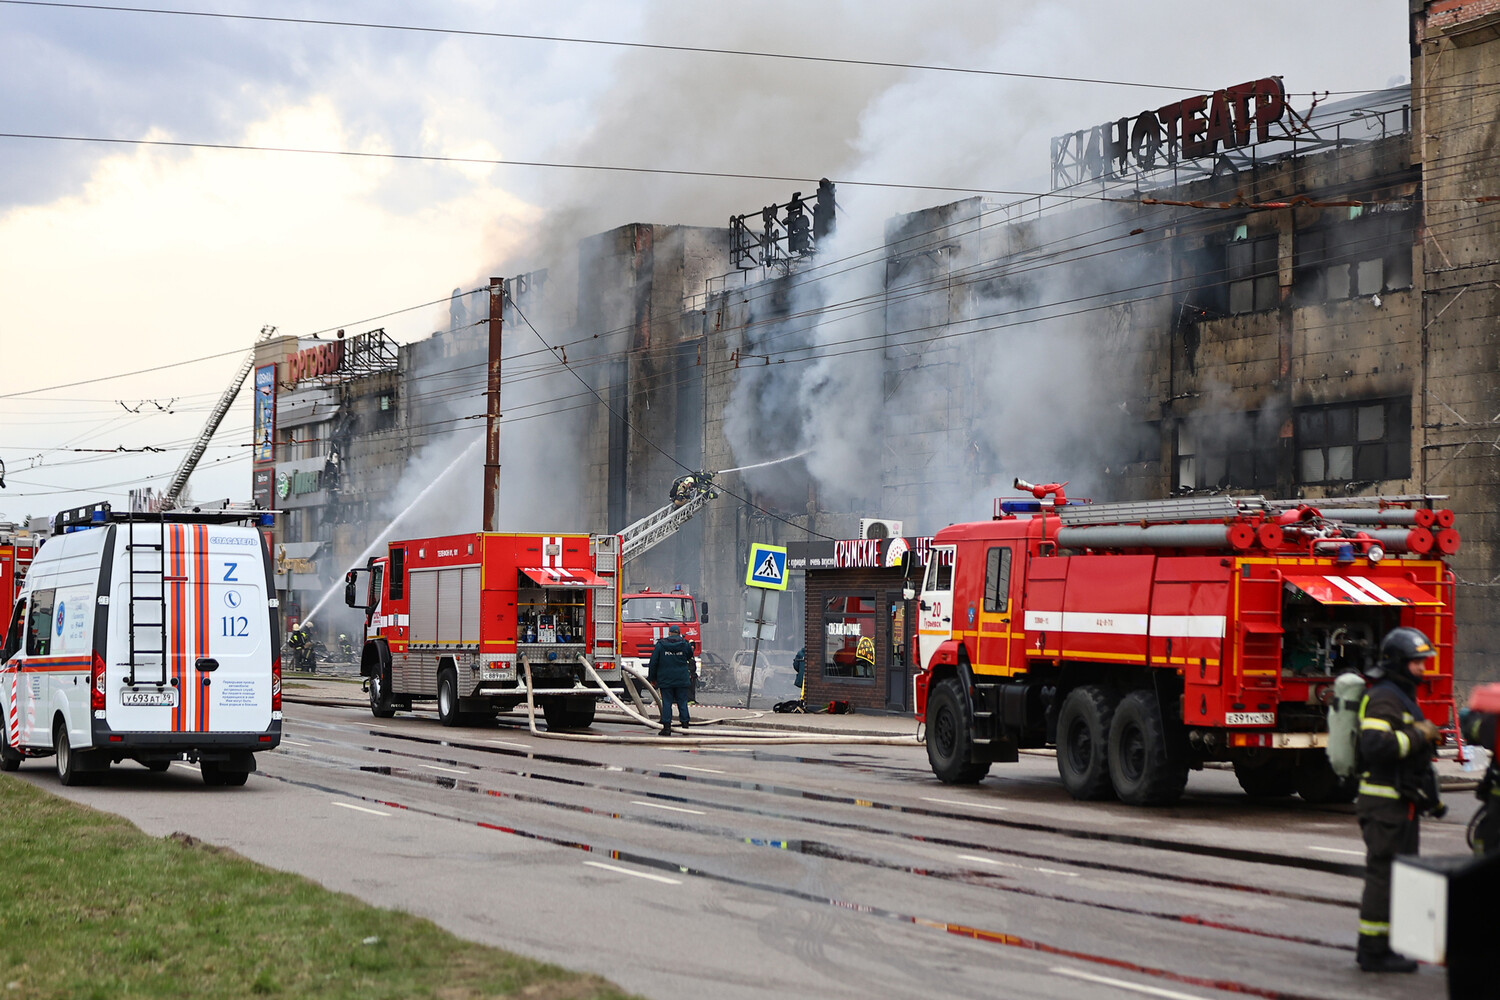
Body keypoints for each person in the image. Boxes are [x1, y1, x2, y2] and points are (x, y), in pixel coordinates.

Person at [1354, 625, 1445, 973]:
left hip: (1399, 802)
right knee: (1384, 875)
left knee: (1400, 876)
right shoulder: (1384, 698)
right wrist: (1418, 735)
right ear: (1396, 662)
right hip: (1384, 803)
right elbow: (1375, 747)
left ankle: (1390, 945)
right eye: (1416, 662)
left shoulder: (1400, 695)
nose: (1423, 668)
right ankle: (1373, 951)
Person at [647, 624, 695, 735]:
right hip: (681, 679)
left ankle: (667, 728)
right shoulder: (685, 644)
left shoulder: (661, 645)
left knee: (667, 703)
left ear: (669, 633)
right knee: (682, 702)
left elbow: (653, 662)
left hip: (666, 679)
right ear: (679, 633)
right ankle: (685, 726)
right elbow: (690, 655)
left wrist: (652, 678)